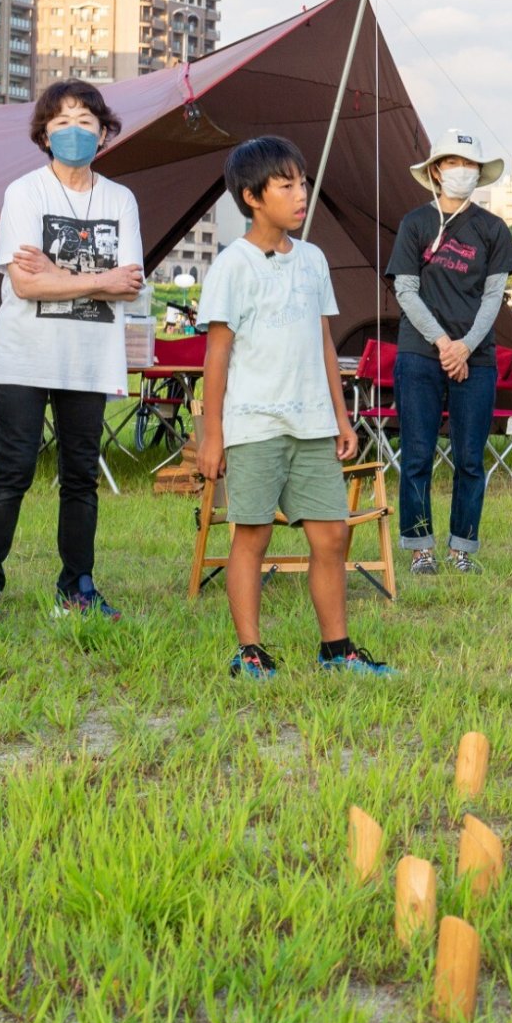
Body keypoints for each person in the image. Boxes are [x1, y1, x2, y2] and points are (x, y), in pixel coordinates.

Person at [197, 137, 385, 679]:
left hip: (311, 424)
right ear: (253, 196)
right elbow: (217, 353)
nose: (302, 193)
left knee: (332, 534)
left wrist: (342, 417)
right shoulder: (233, 265)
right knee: (251, 534)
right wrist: (213, 435)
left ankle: (337, 650)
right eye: (288, 185)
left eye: (303, 182)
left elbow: (323, 340)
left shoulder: (313, 260)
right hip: (254, 424)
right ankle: (251, 651)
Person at [0, 80, 145, 620]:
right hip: (24, 352)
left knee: (81, 475)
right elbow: (25, 286)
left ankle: (78, 582)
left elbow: (129, 282)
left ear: (104, 132)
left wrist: (59, 272)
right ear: (43, 134)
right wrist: (98, 278)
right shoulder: (25, 192)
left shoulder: (120, 198)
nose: (74, 131)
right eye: (62, 121)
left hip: (89, 357)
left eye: (86, 121)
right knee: (13, 468)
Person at [385, 128, 512, 578]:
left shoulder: (492, 228)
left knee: (469, 455)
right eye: (454, 163)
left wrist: (465, 345)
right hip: (420, 354)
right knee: (418, 452)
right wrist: (443, 343)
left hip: (476, 357)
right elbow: (405, 289)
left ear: (479, 174)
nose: (462, 172)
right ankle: (420, 547)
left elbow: (493, 296)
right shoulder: (415, 224)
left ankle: (462, 548)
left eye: (470, 166)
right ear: (437, 170)